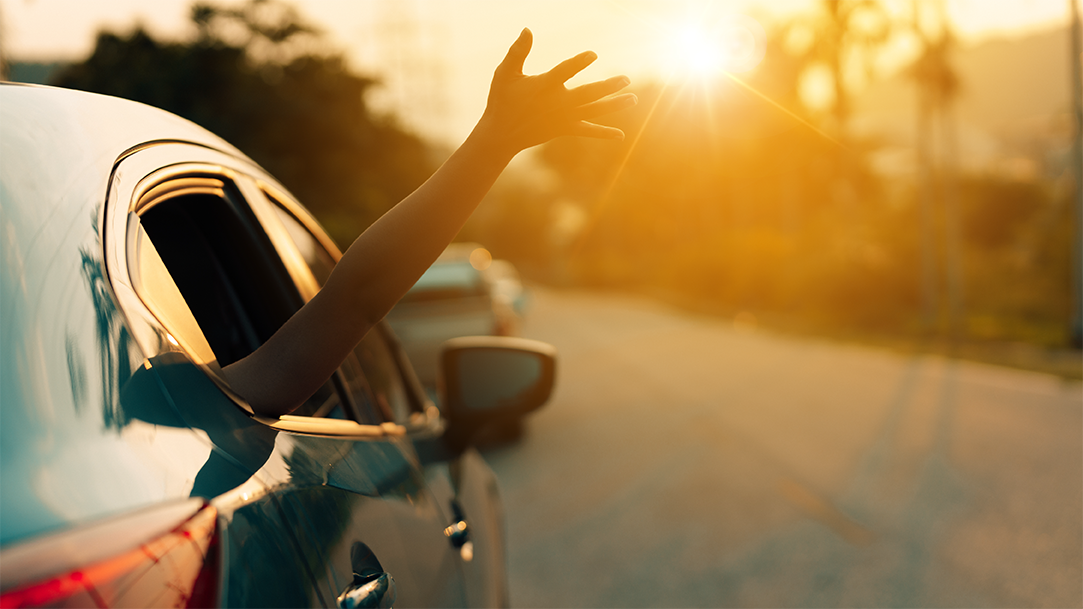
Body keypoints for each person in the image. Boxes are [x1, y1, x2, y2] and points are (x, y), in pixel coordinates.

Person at [221, 28, 637, 416]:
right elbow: (355, 299)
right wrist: (497, 140)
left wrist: (498, 139)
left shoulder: (182, 403)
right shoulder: (195, 405)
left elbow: (357, 298)